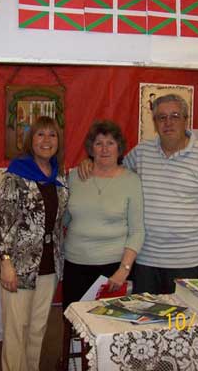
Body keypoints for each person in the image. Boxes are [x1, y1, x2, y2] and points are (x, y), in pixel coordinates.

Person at [79, 94, 198, 294]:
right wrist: (90, 161)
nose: (168, 122)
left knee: (183, 323)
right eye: (161, 117)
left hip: (189, 262)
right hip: (145, 261)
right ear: (154, 122)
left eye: (175, 116)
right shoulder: (142, 152)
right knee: (146, 322)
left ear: (186, 119)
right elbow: (113, 169)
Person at [0, 116, 69, 371]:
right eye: (40, 135)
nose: (47, 141)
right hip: (18, 264)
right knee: (17, 330)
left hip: (48, 264)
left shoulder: (60, 177)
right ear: (30, 140)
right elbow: (1, 222)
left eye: (52, 135)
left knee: (38, 328)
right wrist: (6, 263)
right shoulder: (16, 175)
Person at [63, 120, 144, 310]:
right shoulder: (74, 177)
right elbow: (64, 218)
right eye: (98, 143)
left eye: (110, 143)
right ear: (91, 148)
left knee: (110, 326)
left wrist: (124, 270)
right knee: (75, 327)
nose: (104, 149)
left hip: (113, 269)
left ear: (119, 147)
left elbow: (137, 231)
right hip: (75, 265)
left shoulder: (131, 181)